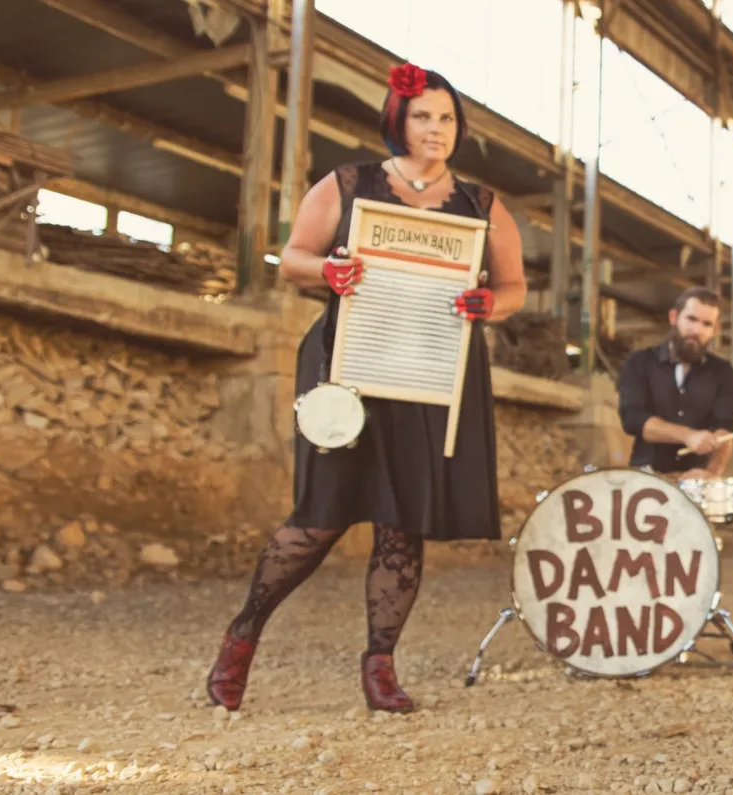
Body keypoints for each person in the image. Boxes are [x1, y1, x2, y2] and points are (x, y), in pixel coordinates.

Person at [204, 63, 526, 713]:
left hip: (432, 374)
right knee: (316, 520)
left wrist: (487, 302)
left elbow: (514, 287)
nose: (437, 129)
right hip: (349, 368)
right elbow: (293, 257)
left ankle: (380, 662)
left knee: (403, 526)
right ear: (398, 121)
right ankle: (242, 636)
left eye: (447, 118)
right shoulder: (347, 186)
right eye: (423, 116)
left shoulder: (482, 207)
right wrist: (329, 268)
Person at [617, 286, 733, 658]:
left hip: (701, 480)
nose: (697, 330)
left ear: (715, 330)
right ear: (673, 318)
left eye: (707, 324)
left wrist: (711, 472)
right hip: (650, 477)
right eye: (692, 319)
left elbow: (724, 431)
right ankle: (640, 625)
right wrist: (688, 436)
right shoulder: (639, 363)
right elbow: (635, 420)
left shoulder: (722, 373)